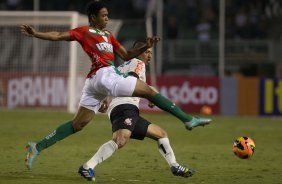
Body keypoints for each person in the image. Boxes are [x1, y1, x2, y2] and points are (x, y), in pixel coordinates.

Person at [21, 0, 211, 170]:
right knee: (148, 91)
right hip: (103, 74)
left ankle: (36, 147)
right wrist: (36, 33)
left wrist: (146, 45)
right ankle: (187, 119)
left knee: (78, 124)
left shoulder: (109, 35)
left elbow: (127, 54)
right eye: (103, 15)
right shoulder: (84, 31)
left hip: (96, 82)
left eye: (107, 15)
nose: (107, 18)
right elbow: (58, 35)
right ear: (93, 17)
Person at [78, 41, 195, 181]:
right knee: (120, 140)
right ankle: (88, 166)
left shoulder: (122, 66)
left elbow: (115, 84)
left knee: (161, 134)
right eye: (147, 52)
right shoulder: (138, 63)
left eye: (151, 52)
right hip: (125, 107)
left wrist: (105, 100)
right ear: (139, 51)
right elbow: (131, 83)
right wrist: (149, 94)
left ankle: (174, 166)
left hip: (123, 108)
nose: (150, 55)